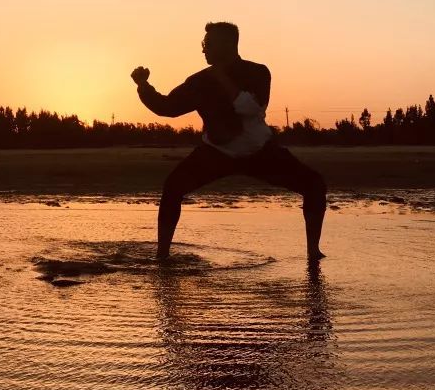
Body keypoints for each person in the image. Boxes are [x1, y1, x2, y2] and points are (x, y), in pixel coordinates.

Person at [131, 21, 327, 261]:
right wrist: (143, 86)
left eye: (208, 44)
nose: (203, 49)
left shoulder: (257, 72)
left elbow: (251, 109)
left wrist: (222, 77)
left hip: (260, 151)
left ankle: (313, 253)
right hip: (216, 153)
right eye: (203, 43)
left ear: (227, 44)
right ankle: (162, 256)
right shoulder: (198, 81)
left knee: (315, 185)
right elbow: (167, 108)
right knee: (172, 188)